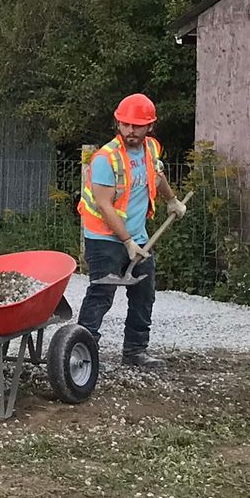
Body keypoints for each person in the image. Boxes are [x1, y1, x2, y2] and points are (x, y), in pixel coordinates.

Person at [76, 92, 184, 370]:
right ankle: (82, 353)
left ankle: (135, 351)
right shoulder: (106, 158)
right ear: (118, 123)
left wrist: (172, 200)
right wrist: (126, 242)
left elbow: (157, 176)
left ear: (150, 126)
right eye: (125, 124)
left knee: (144, 295)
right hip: (104, 239)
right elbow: (104, 205)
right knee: (101, 295)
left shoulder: (151, 149)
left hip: (139, 238)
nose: (130, 130)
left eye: (137, 125)